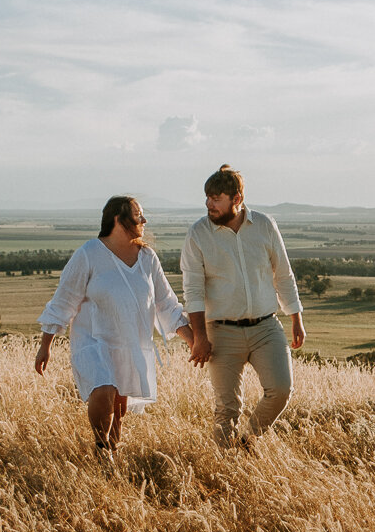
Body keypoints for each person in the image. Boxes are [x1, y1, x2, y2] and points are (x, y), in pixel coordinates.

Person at [36, 195, 192, 465]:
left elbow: (166, 303)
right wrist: (45, 345)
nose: (144, 220)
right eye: (138, 215)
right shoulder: (88, 254)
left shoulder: (147, 258)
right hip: (93, 340)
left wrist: (193, 340)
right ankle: (100, 449)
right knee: (104, 387)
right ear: (118, 220)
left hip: (129, 342)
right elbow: (63, 301)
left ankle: (111, 456)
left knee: (119, 408)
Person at [179, 163, 304, 448]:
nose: (209, 204)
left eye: (216, 199)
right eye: (207, 198)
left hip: (266, 326)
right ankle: (227, 467)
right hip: (221, 332)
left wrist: (296, 317)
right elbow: (193, 291)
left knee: (281, 390)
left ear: (237, 199)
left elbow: (283, 274)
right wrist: (199, 336)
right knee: (227, 408)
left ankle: (249, 441)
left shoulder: (264, 225)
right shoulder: (197, 234)